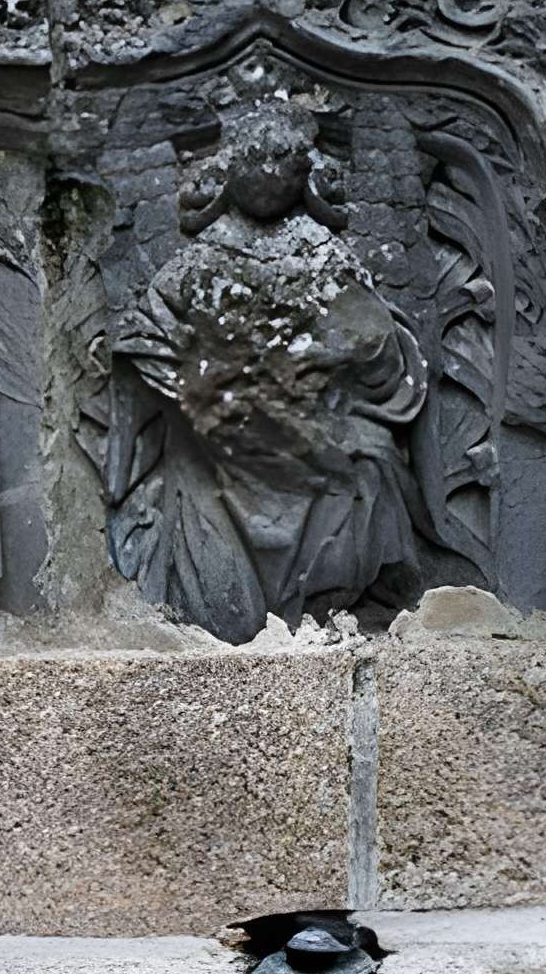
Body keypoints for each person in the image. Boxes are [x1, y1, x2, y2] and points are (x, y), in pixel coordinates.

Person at [105, 111, 429, 639]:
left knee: (373, 458)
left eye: (284, 159)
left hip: (317, 429)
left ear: (307, 174)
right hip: (221, 437)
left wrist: (329, 357)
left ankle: (340, 605)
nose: (270, 171)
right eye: (256, 157)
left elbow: (379, 347)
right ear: (229, 170)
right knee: (196, 476)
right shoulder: (198, 263)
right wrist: (198, 389)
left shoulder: (327, 258)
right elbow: (144, 338)